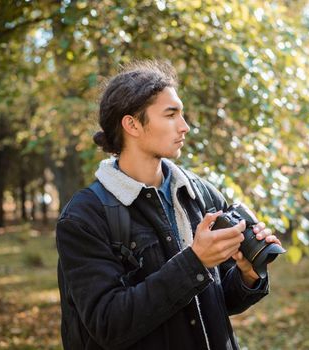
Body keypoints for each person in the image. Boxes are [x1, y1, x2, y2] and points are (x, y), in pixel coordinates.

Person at [56, 60, 282, 350]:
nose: (185, 126)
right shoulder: (83, 218)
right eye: (171, 114)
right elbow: (108, 324)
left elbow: (219, 300)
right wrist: (195, 261)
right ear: (132, 124)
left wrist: (248, 274)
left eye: (182, 114)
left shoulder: (199, 193)